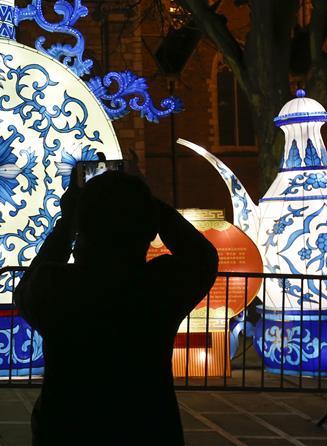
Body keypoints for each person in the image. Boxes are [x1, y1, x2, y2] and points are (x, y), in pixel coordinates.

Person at [15, 170, 218, 445]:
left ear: (83, 227)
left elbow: (27, 288)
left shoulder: (57, 287)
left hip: (66, 429)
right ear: (148, 228)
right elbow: (202, 257)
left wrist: (66, 225)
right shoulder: (158, 288)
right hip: (147, 429)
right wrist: (154, 207)